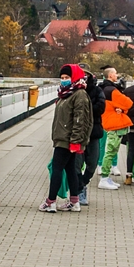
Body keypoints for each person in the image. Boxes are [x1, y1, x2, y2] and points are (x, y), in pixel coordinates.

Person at [40, 64, 93, 212]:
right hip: (64, 138)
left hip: (67, 139)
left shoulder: (79, 94)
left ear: (74, 77)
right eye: (62, 78)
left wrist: (76, 141)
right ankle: (74, 201)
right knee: (70, 169)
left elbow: (80, 119)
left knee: (57, 168)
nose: (64, 80)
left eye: (67, 77)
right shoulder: (66, 93)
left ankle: (50, 202)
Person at [98, 66, 131, 190]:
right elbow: (128, 102)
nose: (117, 76)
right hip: (114, 124)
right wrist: (122, 108)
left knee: (108, 149)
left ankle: (106, 176)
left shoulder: (101, 89)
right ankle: (104, 178)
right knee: (111, 150)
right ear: (110, 75)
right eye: (115, 74)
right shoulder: (112, 90)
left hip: (106, 122)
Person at [77, 67, 106, 205]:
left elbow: (101, 107)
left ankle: (83, 182)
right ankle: (78, 191)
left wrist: (85, 109)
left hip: (93, 133)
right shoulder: (74, 90)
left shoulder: (97, 90)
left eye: (85, 75)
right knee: (77, 164)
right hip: (78, 134)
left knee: (92, 164)